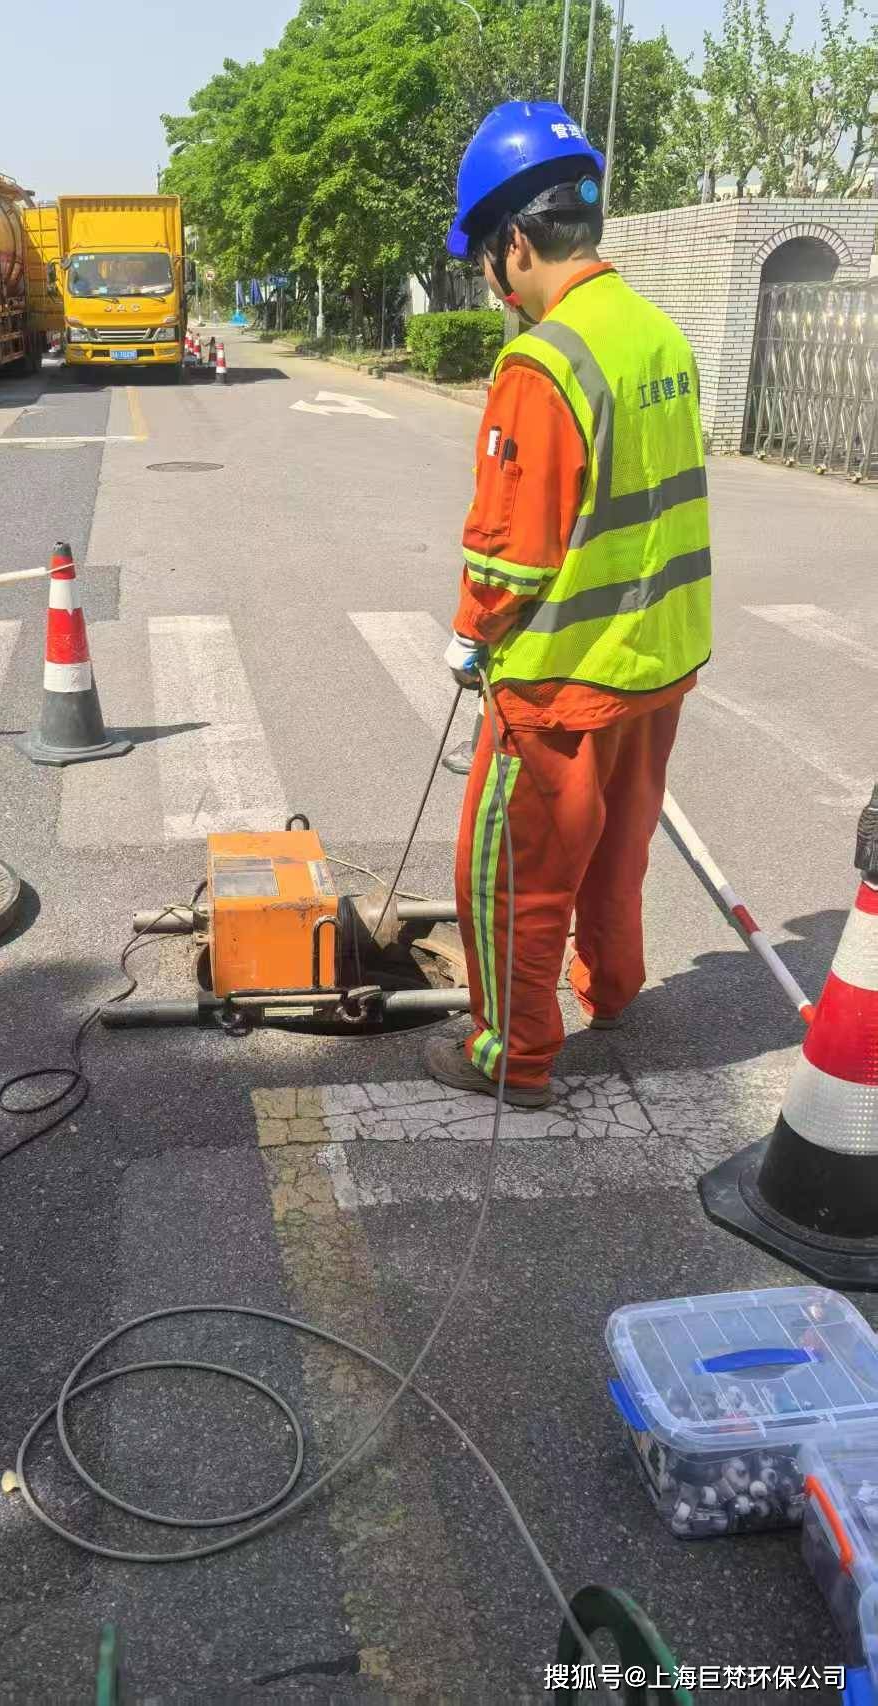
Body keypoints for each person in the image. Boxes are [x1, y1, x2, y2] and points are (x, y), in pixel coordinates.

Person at [424, 100, 712, 1109]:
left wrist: (470, 635)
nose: (492, 286)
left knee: (508, 876)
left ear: (511, 242)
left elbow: (507, 553)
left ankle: (517, 1052)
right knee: (617, 846)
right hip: (656, 663)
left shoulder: (543, 360)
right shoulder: (657, 334)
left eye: (484, 261)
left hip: (558, 683)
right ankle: (613, 988)